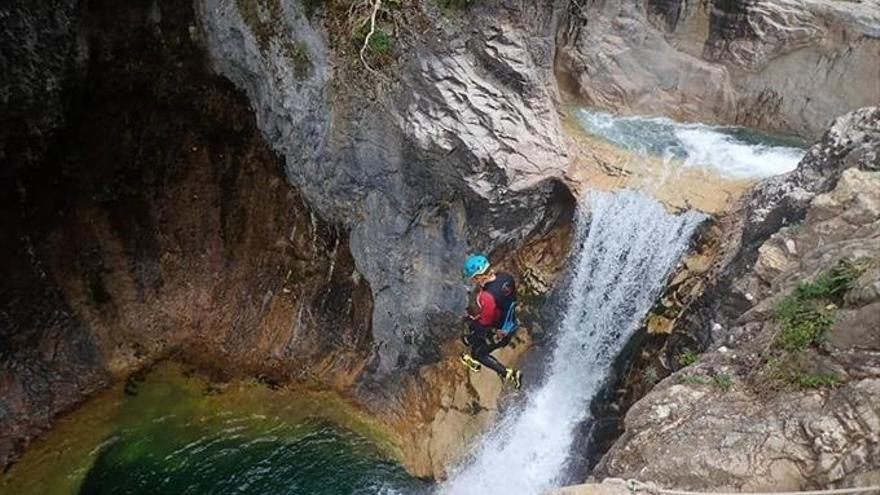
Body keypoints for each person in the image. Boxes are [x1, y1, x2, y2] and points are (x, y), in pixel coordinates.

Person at [459, 253, 522, 389]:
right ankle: (475, 359)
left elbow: (485, 324)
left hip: (501, 332)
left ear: (478, 277)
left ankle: (509, 374)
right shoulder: (506, 277)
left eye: (474, 279)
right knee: (476, 336)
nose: (473, 281)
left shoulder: (486, 297)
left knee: (477, 351)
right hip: (510, 322)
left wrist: (472, 324)